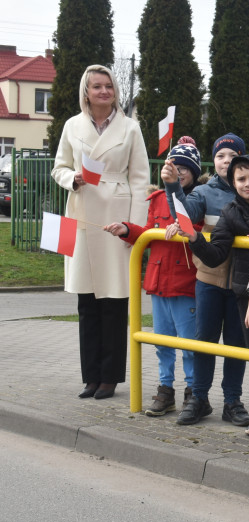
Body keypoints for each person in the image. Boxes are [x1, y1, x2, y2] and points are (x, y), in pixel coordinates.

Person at [174, 154, 249, 433]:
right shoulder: (230, 212)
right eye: (241, 179)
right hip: (244, 293)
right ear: (233, 182)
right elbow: (216, 254)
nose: (247, 183)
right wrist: (194, 238)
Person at [51, 64, 150, 400]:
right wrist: (71, 179)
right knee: (86, 301)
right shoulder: (72, 126)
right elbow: (59, 167)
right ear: (86, 92)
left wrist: (134, 229)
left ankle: (110, 377)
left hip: (116, 217)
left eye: (109, 86)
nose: (104, 92)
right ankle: (90, 375)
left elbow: (139, 179)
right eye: (97, 86)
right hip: (81, 213)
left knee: (114, 300)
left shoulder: (130, 128)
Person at [103, 137, 204, 416]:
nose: (179, 172)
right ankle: (165, 389)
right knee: (162, 342)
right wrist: (126, 229)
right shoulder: (158, 199)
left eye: (185, 168)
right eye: (175, 166)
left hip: (185, 284)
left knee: (189, 345)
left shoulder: (198, 198)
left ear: (194, 172)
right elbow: (148, 231)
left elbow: (198, 228)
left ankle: (194, 392)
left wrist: (181, 225)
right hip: (159, 284)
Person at [164, 133, 249, 426]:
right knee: (204, 341)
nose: (226, 161)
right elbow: (184, 214)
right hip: (209, 281)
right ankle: (198, 399)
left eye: (231, 156)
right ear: (214, 161)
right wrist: (173, 185)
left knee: (236, 345)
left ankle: (232, 401)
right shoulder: (204, 192)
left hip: (241, 284)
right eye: (220, 156)